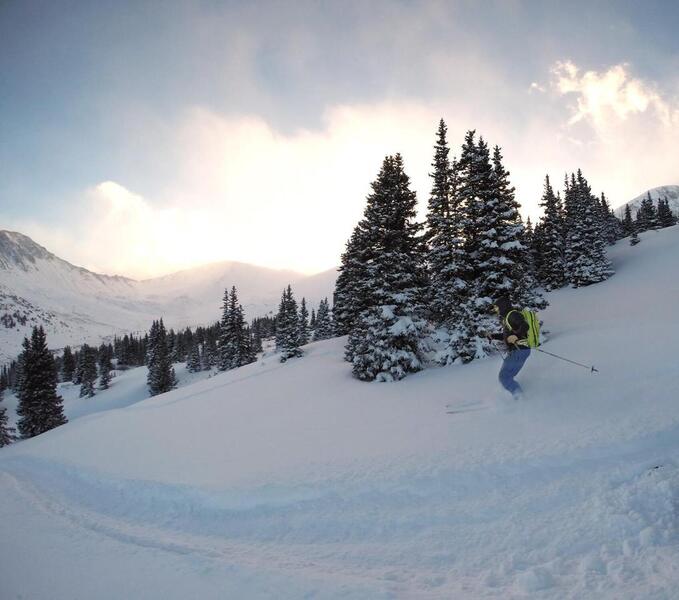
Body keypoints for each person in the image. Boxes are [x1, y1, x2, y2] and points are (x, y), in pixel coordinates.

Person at [488, 295, 531, 398]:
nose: (496, 309)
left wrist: (516, 336)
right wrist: (492, 336)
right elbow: (507, 336)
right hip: (517, 350)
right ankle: (516, 396)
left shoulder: (512, 314)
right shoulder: (507, 318)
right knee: (504, 376)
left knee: (505, 377)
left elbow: (525, 326)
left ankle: (521, 399)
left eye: (497, 307)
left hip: (519, 349)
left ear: (502, 306)